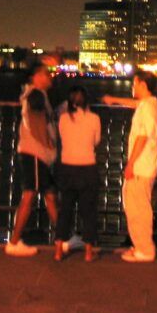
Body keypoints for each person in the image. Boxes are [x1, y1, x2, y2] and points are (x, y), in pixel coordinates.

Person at [102, 69, 157, 262]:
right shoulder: (150, 103)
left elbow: (143, 137)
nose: (132, 88)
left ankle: (145, 249)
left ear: (143, 85)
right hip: (145, 165)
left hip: (141, 167)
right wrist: (114, 100)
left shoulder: (147, 107)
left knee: (138, 209)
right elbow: (136, 104)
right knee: (135, 205)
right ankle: (140, 246)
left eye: (134, 84)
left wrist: (130, 164)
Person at [6, 62, 58, 257]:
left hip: (41, 155)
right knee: (29, 195)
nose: (50, 76)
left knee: (51, 195)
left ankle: (64, 238)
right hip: (35, 153)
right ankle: (14, 242)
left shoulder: (37, 95)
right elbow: (37, 122)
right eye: (46, 73)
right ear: (35, 77)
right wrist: (49, 144)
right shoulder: (36, 95)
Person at [54, 85, 102, 262]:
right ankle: (88, 252)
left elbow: (62, 137)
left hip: (67, 168)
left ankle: (58, 250)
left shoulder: (63, 119)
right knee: (88, 211)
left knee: (65, 210)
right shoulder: (94, 119)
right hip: (87, 167)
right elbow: (96, 141)